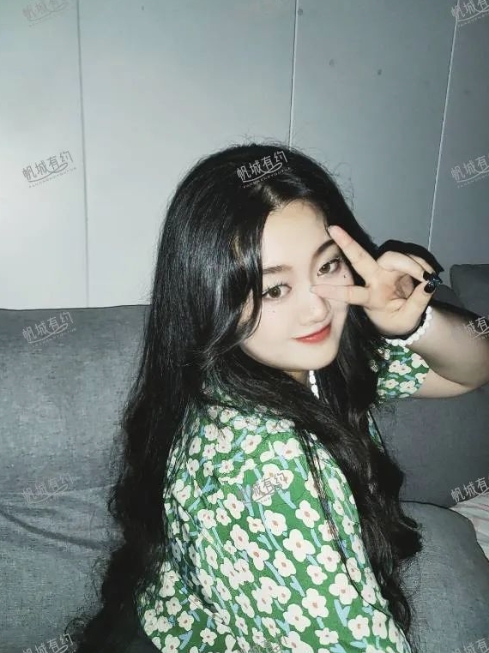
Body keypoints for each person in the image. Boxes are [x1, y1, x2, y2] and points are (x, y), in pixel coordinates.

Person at [66, 142, 489, 653]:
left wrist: (413, 323)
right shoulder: (264, 464)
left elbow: (470, 372)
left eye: (327, 267)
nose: (317, 309)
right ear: (212, 298)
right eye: (273, 290)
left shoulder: (304, 358)